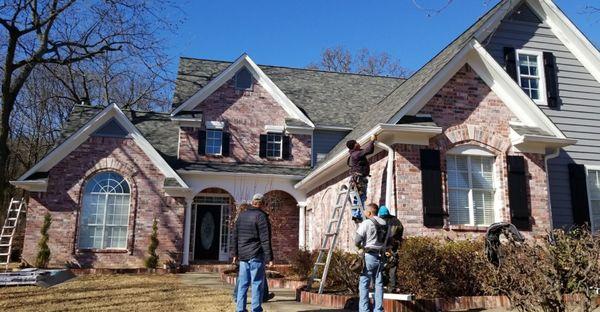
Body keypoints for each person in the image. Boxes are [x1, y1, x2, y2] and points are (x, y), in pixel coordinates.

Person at [232, 193, 274, 312]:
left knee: (243, 284)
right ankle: (256, 309)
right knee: (256, 283)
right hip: (256, 255)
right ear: (262, 203)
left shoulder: (241, 215)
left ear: (252, 202)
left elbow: (235, 236)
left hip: (243, 256)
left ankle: (240, 309)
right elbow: (265, 239)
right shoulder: (261, 216)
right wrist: (270, 258)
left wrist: (235, 254)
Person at [355, 203, 387, 312]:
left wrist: (359, 247)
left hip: (369, 255)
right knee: (379, 284)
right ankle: (378, 309)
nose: (364, 212)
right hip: (381, 256)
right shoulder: (384, 223)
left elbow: (357, 240)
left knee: (364, 283)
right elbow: (389, 240)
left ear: (369, 212)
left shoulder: (366, 223)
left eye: (365, 211)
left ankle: (364, 310)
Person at [346, 134, 378, 222]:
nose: (358, 143)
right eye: (357, 143)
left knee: (358, 197)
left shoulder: (354, 154)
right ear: (354, 146)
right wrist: (372, 140)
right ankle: (358, 215)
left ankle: (356, 215)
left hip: (356, 179)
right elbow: (368, 150)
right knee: (361, 197)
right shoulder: (356, 154)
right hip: (359, 179)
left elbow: (365, 151)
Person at [378, 205, 404, 292]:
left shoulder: (379, 222)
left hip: (383, 248)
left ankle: (383, 286)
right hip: (393, 248)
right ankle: (392, 287)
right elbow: (400, 232)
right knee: (393, 268)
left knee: (382, 267)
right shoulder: (396, 222)